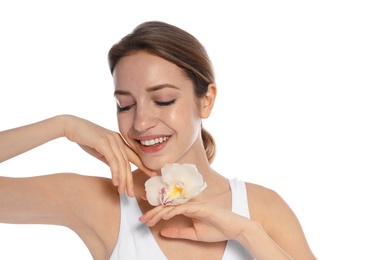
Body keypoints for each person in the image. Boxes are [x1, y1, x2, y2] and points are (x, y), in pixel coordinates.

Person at [0, 21, 316, 259]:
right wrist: (62, 126)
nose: (140, 123)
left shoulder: (261, 209)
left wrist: (246, 233)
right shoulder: (100, 203)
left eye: (163, 100)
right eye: (125, 105)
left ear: (205, 101)